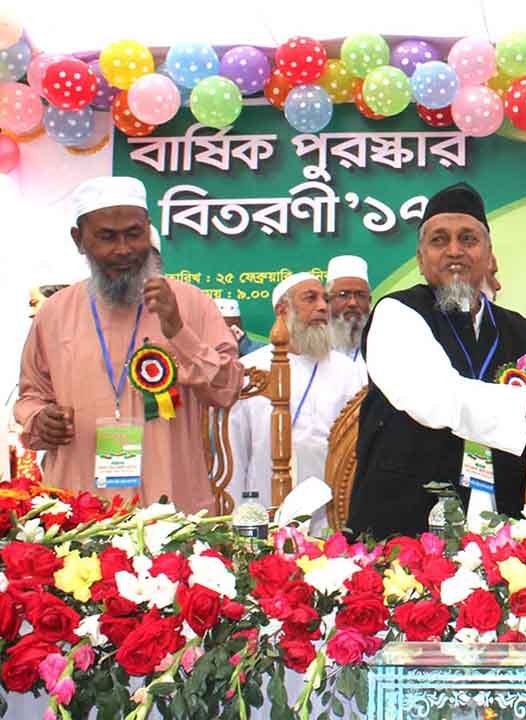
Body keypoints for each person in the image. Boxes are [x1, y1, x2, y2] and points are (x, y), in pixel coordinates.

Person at [345, 182, 526, 538]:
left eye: (468, 239)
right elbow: (438, 397)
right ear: (421, 259)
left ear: (489, 256)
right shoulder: (396, 314)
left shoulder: (522, 332)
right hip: (402, 533)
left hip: (498, 541)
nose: (454, 251)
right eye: (439, 240)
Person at [15, 176, 241, 512]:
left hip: (171, 509)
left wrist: (178, 330)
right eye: (107, 237)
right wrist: (40, 418)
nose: (123, 249)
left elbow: (227, 390)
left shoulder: (191, 303)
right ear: (79, 240)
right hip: (79, 508)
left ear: (148, 230)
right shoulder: (55, 312)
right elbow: (31, 395)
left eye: (134, 234)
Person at [228, 273, 362, 526]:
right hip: (263, 503)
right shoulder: (250, 369)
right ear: (282, 310)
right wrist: (235, 518)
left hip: (331, 506)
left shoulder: (348, 371)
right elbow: (235, 450)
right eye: (311, 298)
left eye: (325, 299)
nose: (322, 307)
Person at [326, 255, 371, 379]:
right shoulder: (313, 349)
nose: (353, 303)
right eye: (343, 295)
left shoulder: (382, 347)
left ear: (369, 301)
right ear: (327, 300)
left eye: (360, 295)